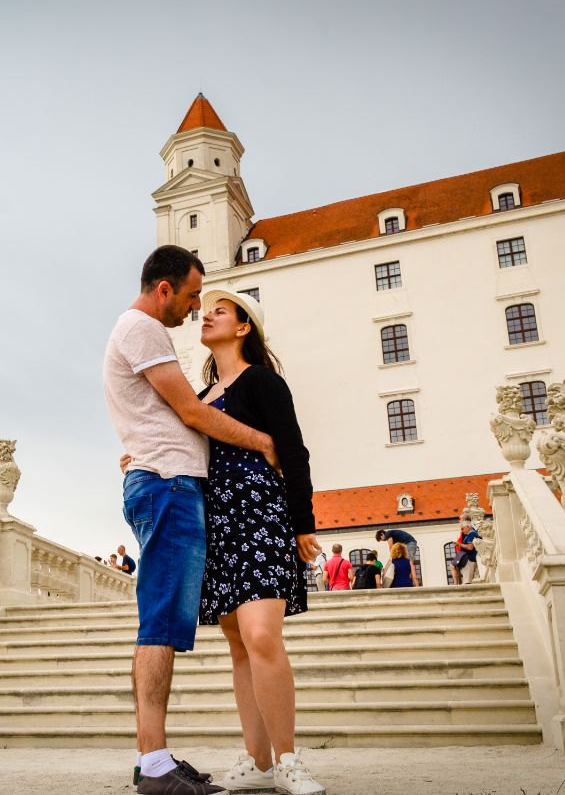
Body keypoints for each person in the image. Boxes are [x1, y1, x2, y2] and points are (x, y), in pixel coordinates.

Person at [103, 245, 279, 795]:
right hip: (168, 485)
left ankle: (153, 757)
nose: (195, 307)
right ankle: (154, 764)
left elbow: (166, 415)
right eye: (192, 295)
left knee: (161, 622)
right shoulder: (143, 328)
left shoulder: (137, 331)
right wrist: (263, 441)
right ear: (165, 289)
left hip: (163, 480)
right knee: (158, 623)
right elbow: (192, 412)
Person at [193, 289, 326, 795]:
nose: (207, 316)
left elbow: (293, 449)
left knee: (262, 636)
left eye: (220, 311)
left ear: (244, 326)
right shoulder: (199, 396)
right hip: (217, 521)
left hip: (261, 511)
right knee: (239, 645)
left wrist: (303, 523)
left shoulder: (263, 381)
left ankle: (288, 759)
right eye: (206, 311)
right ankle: (258, 760)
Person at [451, 515, 480, 585]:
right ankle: (456, 584)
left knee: (467, 582)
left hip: (468, 559)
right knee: (465, 581)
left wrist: (459, 544)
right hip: (465, 558)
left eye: (462, 528)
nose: (461, 530)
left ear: (468, 527)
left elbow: (470, 547)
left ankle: (456, 584)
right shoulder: (469, 534)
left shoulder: (472, 533)